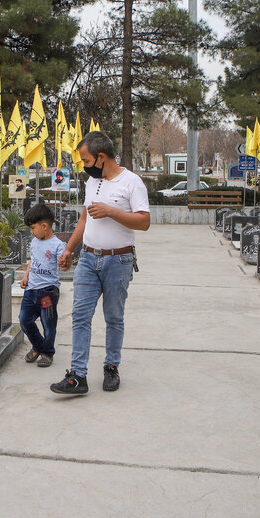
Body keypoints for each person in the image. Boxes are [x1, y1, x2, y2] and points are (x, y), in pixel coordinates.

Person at [51, 131, 149, 395]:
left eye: (86, 161)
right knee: (80, 317)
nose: (84, 167)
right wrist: (69, 249)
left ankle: (111, 367)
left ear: (102, 157)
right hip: (88, 259)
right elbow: (85, 219)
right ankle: (77, 376)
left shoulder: (132, 182)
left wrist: (112, 212)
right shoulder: (91, 183)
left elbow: (144, 222)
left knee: (113, 318)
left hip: (119, 260)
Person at [19, 203, 65, 368]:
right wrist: (26, 275)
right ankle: (38, 345)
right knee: (24, 320)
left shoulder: (58, 245)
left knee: (48, 323)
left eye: (33, 228)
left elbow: (64, 265)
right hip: (31, 290)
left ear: (44, 226)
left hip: (48, 292)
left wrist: (65, 261)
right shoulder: (34, 242)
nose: (31, 231)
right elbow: (33, 261)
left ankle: (47, 352)